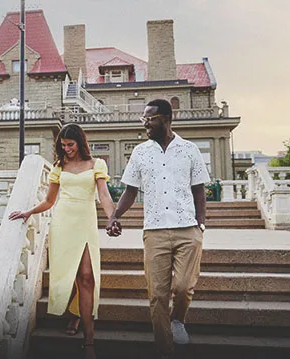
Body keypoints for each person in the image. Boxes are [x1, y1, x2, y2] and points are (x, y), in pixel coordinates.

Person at [106, 99, 209, 359]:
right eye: (144, 118)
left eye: (149, 118)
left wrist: (201, 223)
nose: (145, 123)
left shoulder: (189, 150)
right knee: (157, 296)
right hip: (155, 232)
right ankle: (165, 350)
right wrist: (114, 216)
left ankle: (178, 320)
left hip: (187, 229)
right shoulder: (140, 152)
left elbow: (199, 189)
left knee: (184, 287)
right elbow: (130, 190)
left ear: (165, 118)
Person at [9, 123, 115, 358]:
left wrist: (112, 218)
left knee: (87, 276)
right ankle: (75, 315)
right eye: (63, 145)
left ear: (80, 142)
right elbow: (49, 201)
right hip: (63, 223)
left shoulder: (96, 164)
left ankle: (89, 341)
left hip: (85, 222)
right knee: (71, 274)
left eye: (70, 144)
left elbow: (104, 195)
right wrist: (28, 212)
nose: (66, 149)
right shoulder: (59, 167)